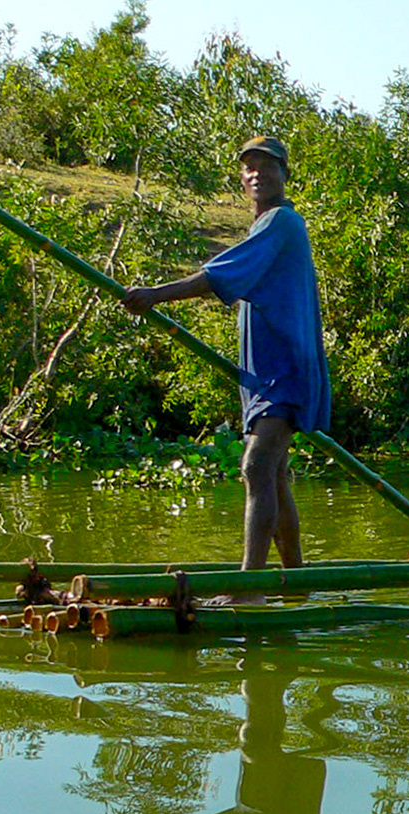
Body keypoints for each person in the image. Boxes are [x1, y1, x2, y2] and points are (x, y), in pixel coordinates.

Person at [121, 137, 330, 591]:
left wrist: (156, 295)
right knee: (274, 473)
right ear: (241, 179)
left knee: (257, 466)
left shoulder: (281, 222)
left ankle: (249, 588)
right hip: (264, 373)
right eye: (249, 168)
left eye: (267, 167)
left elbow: (219, 275)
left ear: (284, 175)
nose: (257, 174)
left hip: (285, 369)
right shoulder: (266, 227)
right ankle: (295, 577)